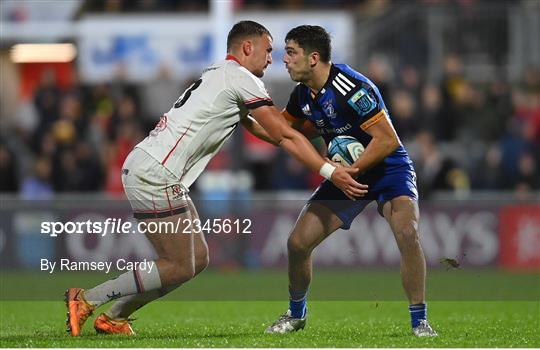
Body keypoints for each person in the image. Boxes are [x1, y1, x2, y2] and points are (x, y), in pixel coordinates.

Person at [64, 21, 367, 336]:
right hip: (156, 172)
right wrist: (329, 170)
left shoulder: (220, 73)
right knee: (179, 263)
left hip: (156, 170)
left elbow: (271, 133)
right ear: (247, 48)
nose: (270, 59)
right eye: (267, 51)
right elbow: (285, 135)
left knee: (197, 260)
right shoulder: (241, 78)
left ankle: (114, 317)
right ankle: (87, 298)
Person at [262, 25, 437, 337]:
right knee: (297, 243)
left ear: (313, 57)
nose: (284, 60)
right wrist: (243, 113)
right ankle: (296, 314)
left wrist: (346, 172)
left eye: (290, 52)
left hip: (387, 169)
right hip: (345, 173)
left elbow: (386, 140)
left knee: (408, 232)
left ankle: (419, 321)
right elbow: (282, 131)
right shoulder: (303, 94)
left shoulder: (352, 87)